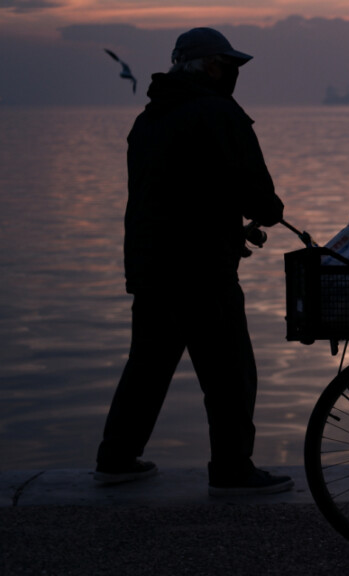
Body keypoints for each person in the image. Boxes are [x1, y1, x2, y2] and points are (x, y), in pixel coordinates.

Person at [95, 27, 293, 496]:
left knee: (147, 365)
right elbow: (257, 193)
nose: (233, 74)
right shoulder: (219, 113)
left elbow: (173, 194)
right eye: (229, 66)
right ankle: (232, 470)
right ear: (208, 66)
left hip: (149, 265)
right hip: (202, 270)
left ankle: (116, 459)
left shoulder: (148, 119)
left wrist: (226, 229)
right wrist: (268, 213)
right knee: (230, 372)